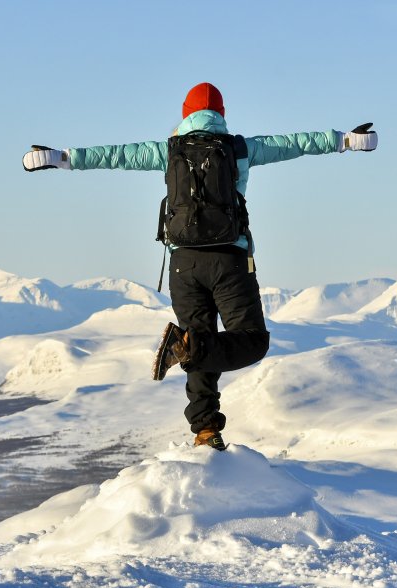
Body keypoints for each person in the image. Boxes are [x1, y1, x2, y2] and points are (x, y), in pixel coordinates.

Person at [23, 82, 377, 450]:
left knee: (199, 338)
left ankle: (205, 430)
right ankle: (188, 356)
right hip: (229, 261)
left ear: (184, 114)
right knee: (251, 340)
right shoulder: (239, 148)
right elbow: (295, 143)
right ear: (221, 114)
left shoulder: (168, 150)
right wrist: (345, 140)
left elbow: (114, 155)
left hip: (183, 264)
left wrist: (60, 157)